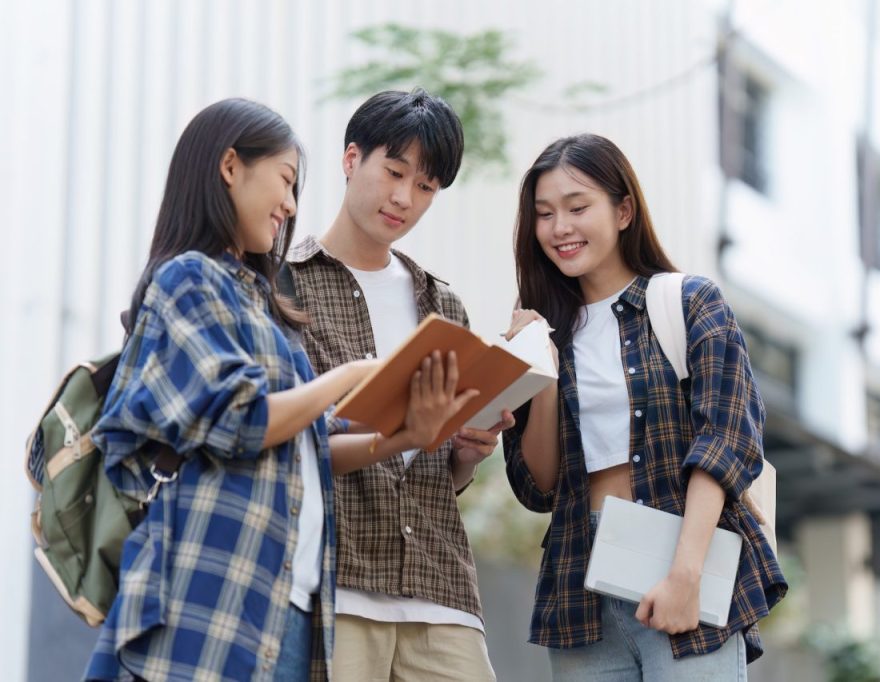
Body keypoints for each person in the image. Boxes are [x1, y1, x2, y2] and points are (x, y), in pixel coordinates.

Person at [82, 98, 406, 681]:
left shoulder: (260, 304)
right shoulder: (188, 278)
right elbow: (242, 420)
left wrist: (410, 433)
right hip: (212, 596)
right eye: (284, 181)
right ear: (230, 166)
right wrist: (344, 377)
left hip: (288, 602)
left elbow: (309, 440)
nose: (289, 204)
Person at [502, 134, 787, 681]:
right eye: (544, 214)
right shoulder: (542, 329)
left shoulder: (689, 302)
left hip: (682, 566)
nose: (560, 227)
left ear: (624, 209)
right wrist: (539, 363)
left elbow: (727, 439)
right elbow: (540, 485)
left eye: (577, 207)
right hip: (580, 588)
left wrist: (686, 574)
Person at [283, 88, 507, 681]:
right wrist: (403, 431)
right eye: (395, 171)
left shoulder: (443, 307)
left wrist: (464, 452)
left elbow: (442, 474)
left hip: (441, 589)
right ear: (351, 159)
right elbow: (290, 447)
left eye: (426, 187)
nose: (405, 198)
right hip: (337, 583)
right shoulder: (285, 290)